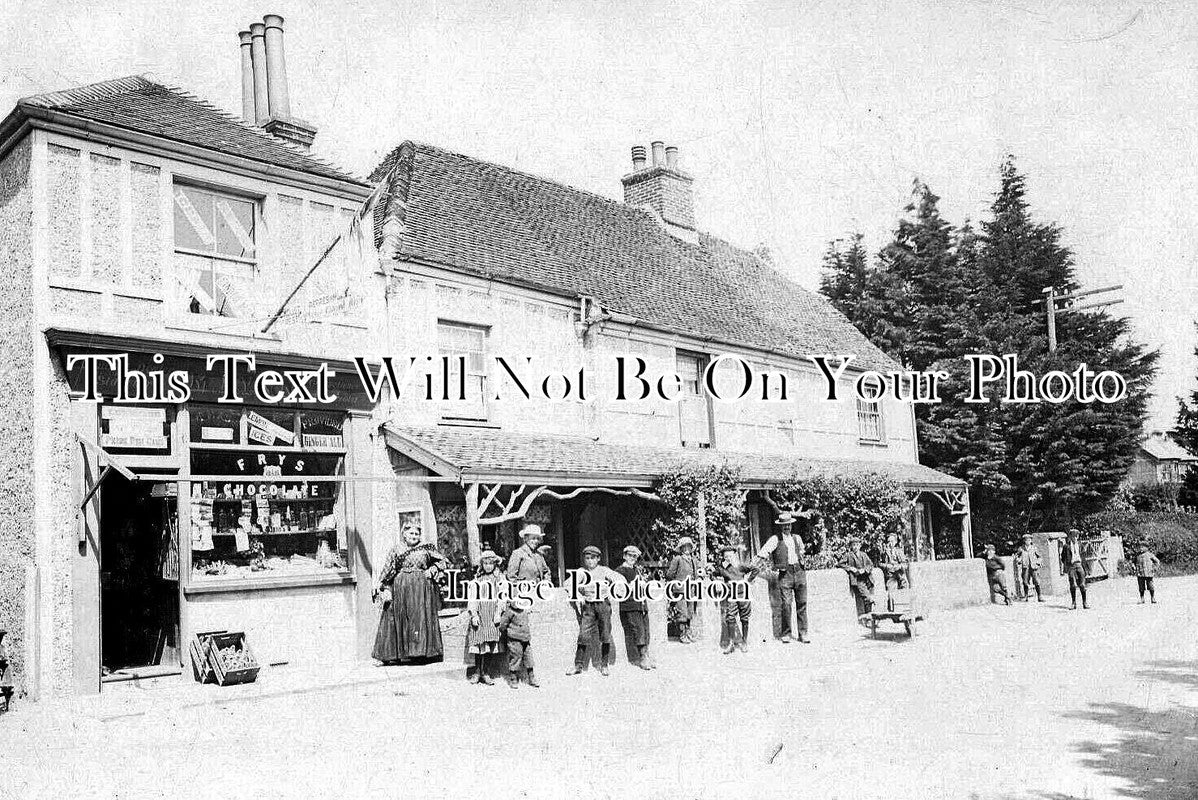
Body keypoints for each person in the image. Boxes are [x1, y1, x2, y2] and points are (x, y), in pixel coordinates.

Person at [372, 520, 447, 664]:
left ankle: (419, 654)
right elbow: (389, 569)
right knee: (394, 617)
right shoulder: (397, 549)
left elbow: (442, 561)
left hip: (421, 589)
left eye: (417, 534)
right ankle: (388, 655)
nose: (414, 536)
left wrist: (433, 569)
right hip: (401, 587)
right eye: (411, 533)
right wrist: (384, 586)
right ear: (404, 535)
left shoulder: (427, 548)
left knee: (419, 618)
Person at [756, 511, 823, 643]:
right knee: (786, 604)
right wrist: (754, 568)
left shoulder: (797, 538)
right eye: (784, 525)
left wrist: (802, 561)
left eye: (789, 525)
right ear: (780, 526)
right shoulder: (775, 539)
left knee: (802, 603)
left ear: (791, 525)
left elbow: (802, 552)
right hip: (785, 574)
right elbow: (763, 553)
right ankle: (786, 633)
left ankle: (803, 633)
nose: (787, 527)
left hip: (799, 572)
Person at [566, 545, 618, 676]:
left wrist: (614, 589)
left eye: (593, 558)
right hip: (588, 606)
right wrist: (577, 595)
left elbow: (619, 579)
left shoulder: (604, 570)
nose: (590, 561)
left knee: (605, 634)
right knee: (583, 635)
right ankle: (578, 665)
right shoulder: (581, 572)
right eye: (587, 558)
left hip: (603, 605)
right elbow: (568, 584)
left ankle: (604, 665)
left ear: (598, 559)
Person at [464, 550, 505, 684]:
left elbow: (502, 597)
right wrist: (474, 615)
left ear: (495, 564)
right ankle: (476, 672)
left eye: (490, 563)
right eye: (485, 563)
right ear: (482, 564)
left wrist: (498, 613)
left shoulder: (499, 579)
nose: (488, 566)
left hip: (492, 614)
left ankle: (486, 672)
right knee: (478, 642)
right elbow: (472, 599)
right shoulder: (477, 580)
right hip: (481, 613)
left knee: (490, 643)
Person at [614, 545, 653, 670]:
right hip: (630, 605)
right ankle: (642, 658)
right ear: (624, 556)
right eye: (630, 555)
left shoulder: (637, 570)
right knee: (638, 630)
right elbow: (618, 588)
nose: (632, 558)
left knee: (646, 630)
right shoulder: (620, 571)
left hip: (641, 604)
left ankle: (646, 655)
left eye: (635, 556)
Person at [715, 544, 754, 654]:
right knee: (730, 617)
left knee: (744, 618)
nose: (728, 558)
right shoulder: (723, 567)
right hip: (731, 595)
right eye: (726, 557)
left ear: (734, 555)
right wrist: (717, 581)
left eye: (730, 556)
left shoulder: (741, 565)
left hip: (743, 594)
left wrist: (749, 580)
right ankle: (731, 643)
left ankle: (744, 642)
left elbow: (755, 569)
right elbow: (713, 573)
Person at [665, 537, 702, 643]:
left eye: (688, 546)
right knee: (682, 613)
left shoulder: (694, 560)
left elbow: (699, 572)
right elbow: (669, 574)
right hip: (680, 591)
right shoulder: (677, 559)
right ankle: (682, 634)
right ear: (681, 549)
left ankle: (688, 633)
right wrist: (677, 583)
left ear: (691, 548)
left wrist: (700, 577)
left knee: (690, 612)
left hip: (691, 590)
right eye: (684, 547)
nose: (686, 549)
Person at [497, 595, 537, 688]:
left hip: (526, 638)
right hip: (514, 639)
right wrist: (508, 634)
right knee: (515, 657)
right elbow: (503, 625)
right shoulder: (509, 612)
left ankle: (531, 677)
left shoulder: (524, 610)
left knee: (529, 658)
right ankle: (513, 678)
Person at [507, 524, 551, 589]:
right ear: (525, 539)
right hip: (524, 593)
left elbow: (546, 572)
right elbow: (511, 576)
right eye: (533, 538)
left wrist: (546, 583)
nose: (536, 541)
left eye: (537, 538)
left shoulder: (539, 555)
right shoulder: (518, 553)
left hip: (539, 593)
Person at [840, 536, 875, 620]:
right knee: (868, 598)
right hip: (858, 580)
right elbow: (840, 564)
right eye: (853, 545)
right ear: (851, 546)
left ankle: (868, 618)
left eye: (857, 545)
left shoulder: (864, 554)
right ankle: (868, 618)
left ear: (859, 546)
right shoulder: (849, 555)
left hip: (867, 579)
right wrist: (850, 568)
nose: (855, 547)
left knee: (869, 598)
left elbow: (871, 564)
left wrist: (865, 570)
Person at [1059, 529, 1089, 610]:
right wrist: (1067, 565)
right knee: (1072, 584)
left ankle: (1084, 603)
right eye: (1073, 536)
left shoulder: (1080, 545)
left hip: (1079, 564)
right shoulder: (1066, 546)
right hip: (1071, 566)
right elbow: (1063, 557)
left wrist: (1084, 565)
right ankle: (1073, 603)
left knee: (1082, 584)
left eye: (1076, 536)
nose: (1075, 538)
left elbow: (1083, 555)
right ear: (1070, 537)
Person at [1015, 534, 1043, 602]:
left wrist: (1038, 562)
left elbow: (1040, 557)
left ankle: (1039, 596)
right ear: (1024, 541)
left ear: (1031, 541)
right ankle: (1026, 596)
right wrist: (1018, 560)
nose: (1028, 541)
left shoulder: (1034, 548)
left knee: (1036, 581)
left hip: (1033, 567)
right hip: (1025, 567)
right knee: (1025, 581)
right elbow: (1017, 556)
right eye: (1026, 540)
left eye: (1029, 540)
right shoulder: (1021, 548)